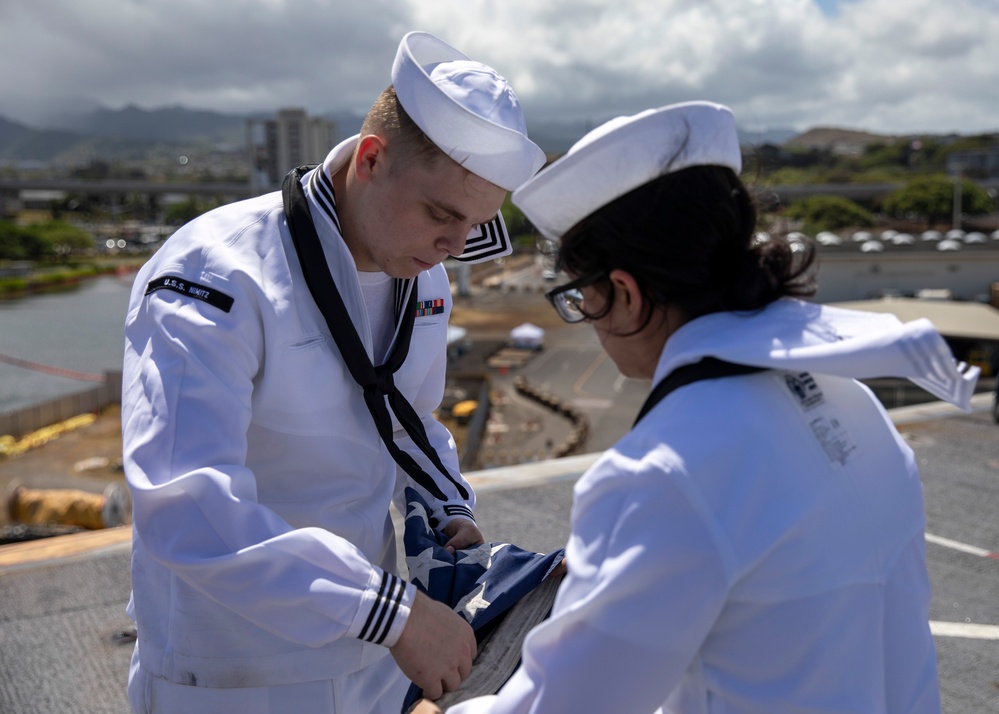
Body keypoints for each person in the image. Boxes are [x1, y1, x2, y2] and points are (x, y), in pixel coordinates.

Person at [412, 101, 979, 713]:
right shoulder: (855, 403)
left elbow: (568, 702)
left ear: (624, 293)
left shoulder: (662, 471)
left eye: (579, 297)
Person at [121, 31, 545, 714]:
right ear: (371, 160)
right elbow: (187, 506)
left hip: (373, 653)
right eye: (440, 214)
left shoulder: (426, 276)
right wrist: (396, 612)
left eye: (474, 225)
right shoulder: (214, 273)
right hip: (232, 667)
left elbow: (408, 423)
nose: (452, 245)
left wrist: (447, 508)